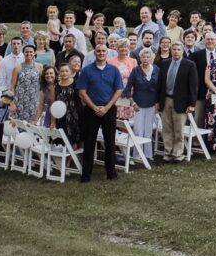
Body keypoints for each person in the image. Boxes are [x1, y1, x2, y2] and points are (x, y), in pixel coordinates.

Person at [75, 43, 125, 182]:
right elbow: (82, 92)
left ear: (107, 53)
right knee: (89, 142)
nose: (101, 53)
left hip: (109, 109)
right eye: (99, 51)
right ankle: (86, 175)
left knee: (110, 141)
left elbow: (119, 90)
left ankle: (111, 172)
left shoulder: (114, 70)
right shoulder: (86, 70)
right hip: (91, 110)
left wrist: (107, 107)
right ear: (95, 53)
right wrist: (94, 107)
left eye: (104, 51)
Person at [156, 41, 199, 162]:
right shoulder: (164, 64)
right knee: (167, 129)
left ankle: (178, 154)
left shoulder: (189, 65)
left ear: (182, 51)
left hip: (181, 102)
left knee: (179, 129)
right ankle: (168, 152)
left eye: (178, 49)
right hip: (166, 100)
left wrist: (191, 104)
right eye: (173, 49)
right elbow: (159, 83)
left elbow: (193, 86)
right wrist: (157, 100)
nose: (176, 52)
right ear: (171, 50)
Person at [127, 49, 159, 158]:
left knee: (148, 131)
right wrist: (133, 103)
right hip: (138, 105)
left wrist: (158, 102)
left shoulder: (157, 70)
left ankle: (148, 154)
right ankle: (137, 155)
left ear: (151, 58)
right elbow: (127, 89)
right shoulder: (135, 70)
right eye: (143, 57)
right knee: (138, 130)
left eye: (147, 57)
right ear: (140, 58)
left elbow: (160, 88)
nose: (145, 59)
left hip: (152, 105)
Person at [9, 44, 41, 122]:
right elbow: (12, 87)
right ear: (23, 53)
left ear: (34, 53)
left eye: (31, 52)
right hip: (19, 100)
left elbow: (42, 85)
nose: (29, 54)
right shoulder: (17, 67)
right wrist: (12, 103)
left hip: (33, 101)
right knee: (17, 123)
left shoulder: (39, 67)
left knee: (31, 124)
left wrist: (40, 101)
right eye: (26, 52)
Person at [53, 64, 81, 145]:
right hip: (62, 117)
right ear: (59, 73)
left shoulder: (76, 83)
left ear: (70, 72)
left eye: (66, 71)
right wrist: (53, 122)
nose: (64, 73)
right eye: (62, 71)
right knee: (65, 141)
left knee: (77, 140)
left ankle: (75, 157)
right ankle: (68, 157)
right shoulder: (55, 86)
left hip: (76, 116)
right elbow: (53, 103)